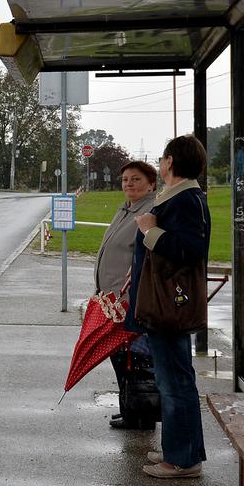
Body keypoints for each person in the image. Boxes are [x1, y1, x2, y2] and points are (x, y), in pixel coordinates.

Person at [126, 134, 211, 479]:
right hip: (164, 304)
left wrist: (149, 230)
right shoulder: (181, 198)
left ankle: (183, 459)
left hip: (168, 308)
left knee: (175, 382)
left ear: (170, 162)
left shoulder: (186, 200)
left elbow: (189, 249)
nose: (160, 164)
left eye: (162, 159)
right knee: (172, 379)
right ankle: (180, 449)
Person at [94, 160, 159, 430]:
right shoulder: (127, 209)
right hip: (112, 299)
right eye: (125, 180)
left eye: (136, 179)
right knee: (120, 356)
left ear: (151, 184)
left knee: (132, 358)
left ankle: (140, 414)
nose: (129, 184)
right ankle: (130, 408)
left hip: (129, 299)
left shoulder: (150, 211)